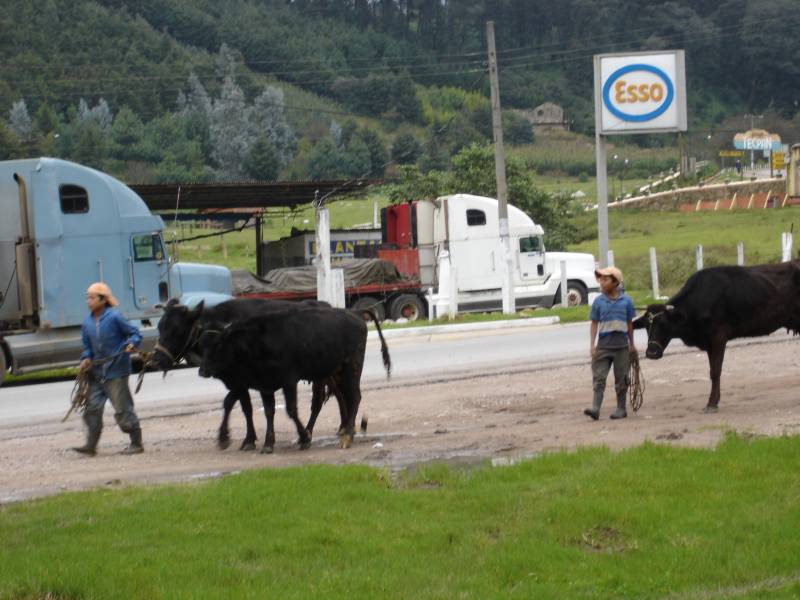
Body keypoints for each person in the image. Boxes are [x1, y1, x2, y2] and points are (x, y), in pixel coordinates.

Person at [72, 282, 144, 456]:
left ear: (103, 300)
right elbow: (87, 347)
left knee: (122, 409)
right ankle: (91, 445)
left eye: (92, 298)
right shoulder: (87, 322)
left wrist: (130, 343)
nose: (88, 301)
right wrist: (86, 358)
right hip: (95, 374)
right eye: (87, 298)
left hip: (116, 372)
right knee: (92, 409)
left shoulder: (115, 317)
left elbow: (135, 333)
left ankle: (136, 443)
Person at [584, 267, 636, 421]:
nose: (601, 282)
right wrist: (592, 345)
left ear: (615, 283)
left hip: (621, 348)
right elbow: (594, 324)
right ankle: (595, 408)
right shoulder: (599, 302)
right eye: (600, 279)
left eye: (605, 280)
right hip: (603, 347)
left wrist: (631, 345)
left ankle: (621, 408)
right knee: (599, 377)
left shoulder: (626, 301)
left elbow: (629, 324)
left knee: (622, 379)